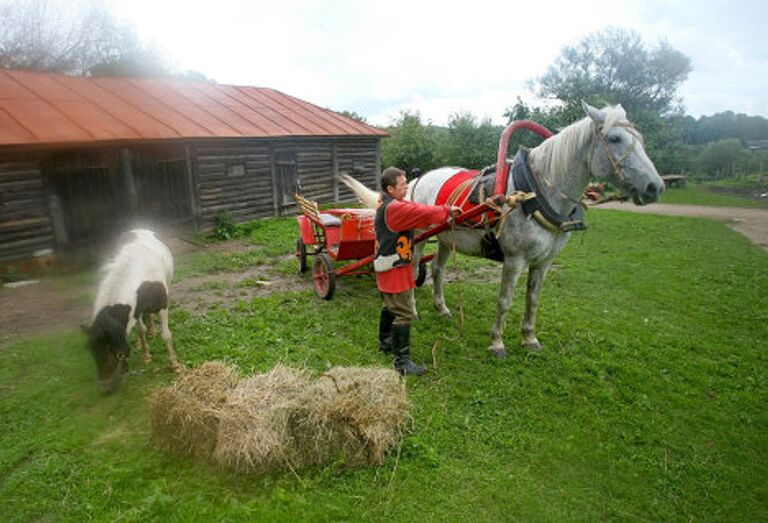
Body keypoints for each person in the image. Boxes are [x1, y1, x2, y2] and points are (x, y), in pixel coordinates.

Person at [375, 167, 461, 376]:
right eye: (402, 184)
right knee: (404, 312)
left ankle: (385, 342)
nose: (406, 186)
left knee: (389, 305)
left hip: (390, 263)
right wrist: (446, 211)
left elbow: (415, 207)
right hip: (394, 266)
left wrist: (440, 213)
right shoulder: (395, 209)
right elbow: (421, 212)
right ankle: (401, 362)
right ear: (390, 189)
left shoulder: (392, 204)